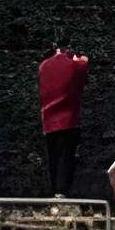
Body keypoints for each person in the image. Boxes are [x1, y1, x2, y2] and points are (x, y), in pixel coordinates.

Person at [38, 43, 93, 198]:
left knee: (53, 157)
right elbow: (84, 61)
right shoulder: (73, 65)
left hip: (48, 121)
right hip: (68, 119)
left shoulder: (43, 66)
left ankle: (54, 189)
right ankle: (62, 191)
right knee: (66, 157)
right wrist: (75, 57)